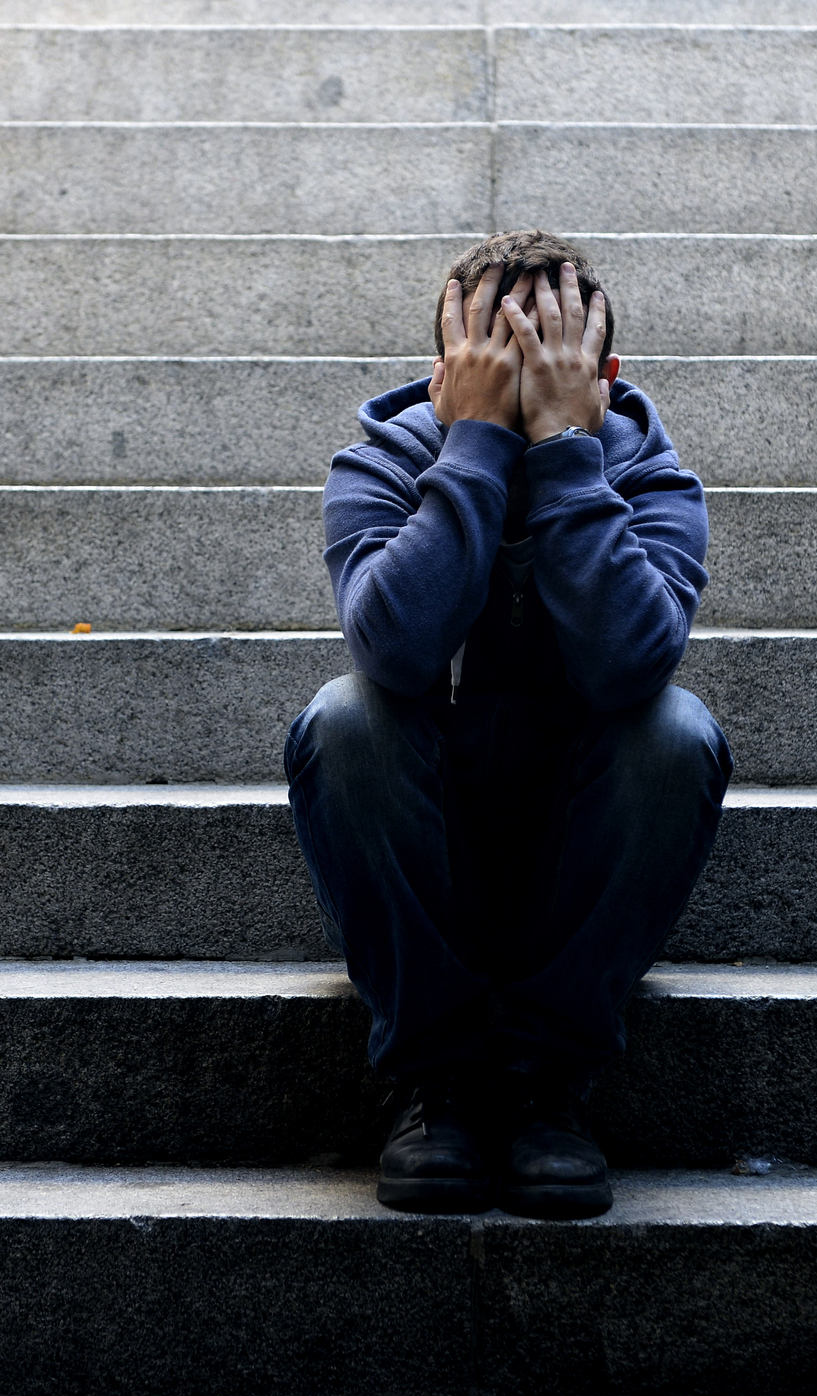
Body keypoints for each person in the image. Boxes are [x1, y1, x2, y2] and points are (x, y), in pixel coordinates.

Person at [284, 230, 732, 1219]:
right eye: (494, 365)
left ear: (601, 375)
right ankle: (433, 1081)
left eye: (553, 366)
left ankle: (546, 1081)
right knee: (345, 717)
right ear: (445, 372)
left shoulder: (649, 474)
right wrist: (475, 443)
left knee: (675, 731)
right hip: (428, 850)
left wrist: (570, 456)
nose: (525, 387)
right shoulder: (385, 457)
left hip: (575, 855)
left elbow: (629, 667)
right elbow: (395, 650)